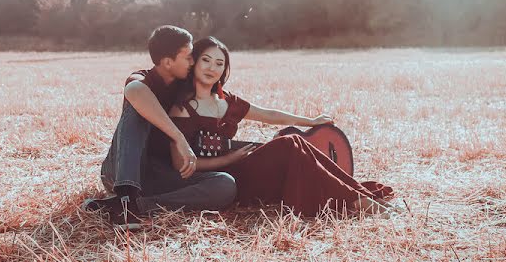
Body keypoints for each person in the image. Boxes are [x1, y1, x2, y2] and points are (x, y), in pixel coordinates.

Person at [166, 36, 396, 217]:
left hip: (245, 168)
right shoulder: (183, 109)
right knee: (289, 143)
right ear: (194, 61)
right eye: (206, 60)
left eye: (219, 63)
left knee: (295, 142)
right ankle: (357, 201)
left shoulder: (227, 101)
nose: (212, 68)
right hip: (225, 180)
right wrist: (227, 161)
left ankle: (358, 193)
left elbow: (269, 114)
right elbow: (180, 164)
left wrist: (311, 121)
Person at [85, 26, 237, 229]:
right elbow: (134, 90)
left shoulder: (186, 87)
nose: (193, 62)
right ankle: (125, 196)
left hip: (158, 175)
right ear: (167, 62)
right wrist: (179, 139)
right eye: (188, 57)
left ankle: (134, 206)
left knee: (225, 185)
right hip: (122, 170)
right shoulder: (142, 80)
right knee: (137, 109)